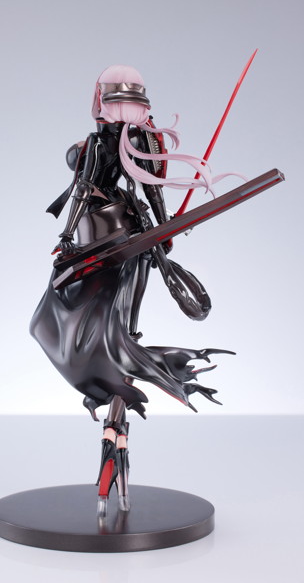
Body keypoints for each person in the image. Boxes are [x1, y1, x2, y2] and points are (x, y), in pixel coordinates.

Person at [30, 65, 234, 517]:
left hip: (109, 230)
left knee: (113, 325)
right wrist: (160, 230)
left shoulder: (105, 143)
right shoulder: (119, 142)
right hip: (120, 229)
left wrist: (157, 231)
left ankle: (114, 419)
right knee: (114, 325)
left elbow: (90, 190)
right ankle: (115, 421)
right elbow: (121, 191)